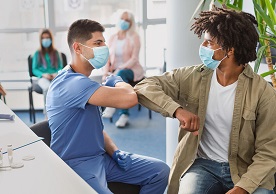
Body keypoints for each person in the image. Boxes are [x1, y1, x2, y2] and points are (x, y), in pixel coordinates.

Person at [134, 6, 276, 194]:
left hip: (246, 170)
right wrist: (177, 110)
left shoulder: (263, 93)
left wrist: (243, 188)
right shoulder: (192, 76)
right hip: (203, 166)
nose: (203, 48)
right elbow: (144, 86)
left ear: (230, 50)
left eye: (209, 43)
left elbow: (268, 153)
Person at [46, 19, 169, 194]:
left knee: (161, 171)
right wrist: (118, 80)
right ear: (78, 48)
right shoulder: (72, 84)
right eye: (98, 43)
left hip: (101, 158)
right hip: (75, 165)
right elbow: (130, 99)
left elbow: (94, 128)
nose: (105, 47)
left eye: (103, 42)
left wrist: (115, 151)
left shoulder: (83, 81)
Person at [101, 10, 144, 128]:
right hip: (115, 70)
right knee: (112, 77)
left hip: (132, 69)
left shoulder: (134, 37)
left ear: (131, 23)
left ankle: (120, 112)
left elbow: (134, 59)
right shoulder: (113, 37)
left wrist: (119, 68)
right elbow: (107, 57)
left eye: (127, 20)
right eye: (122, 19)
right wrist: (105, 72)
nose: (124, 22)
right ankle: (120, 112)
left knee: (119, 75)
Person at [32, 28, 63, 113]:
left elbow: (60, 67)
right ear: (41, 39)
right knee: (47, 88)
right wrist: (43, 74)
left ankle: (59, 112)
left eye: (47, 37)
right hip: (42, 78)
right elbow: (34, 69)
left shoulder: (56, 52)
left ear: (51, 39)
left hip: (55, 77)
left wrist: (55, 74)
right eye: (43, 38)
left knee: (61, 89)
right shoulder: (37, 53)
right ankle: (48, 113)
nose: (45, 39)